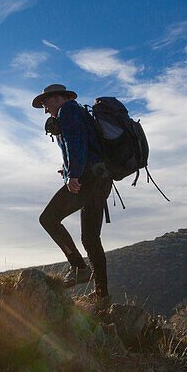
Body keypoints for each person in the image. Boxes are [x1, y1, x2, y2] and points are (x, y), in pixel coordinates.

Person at [33, 84, 113, 307]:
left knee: (48, 219)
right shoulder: (79, 111)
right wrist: (68, 170)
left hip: (87, 181)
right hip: (100, 180)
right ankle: (102, 295)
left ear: (58, 98)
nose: (45, 109)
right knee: (90, 238)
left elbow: (74, 142)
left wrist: (74, 175)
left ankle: (78, 267)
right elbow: (83, 144)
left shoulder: (68, 111)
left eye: (46, 103)